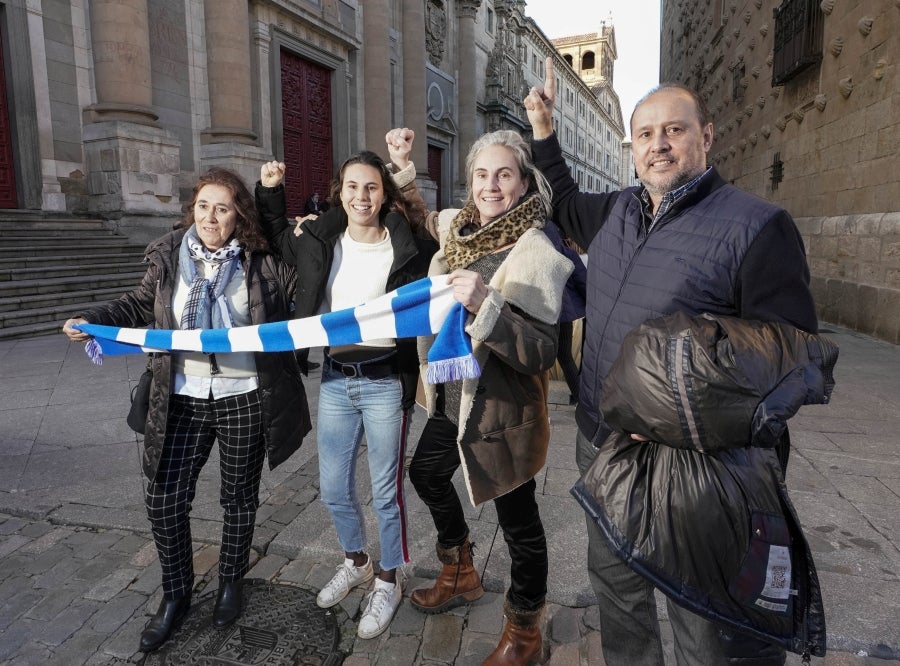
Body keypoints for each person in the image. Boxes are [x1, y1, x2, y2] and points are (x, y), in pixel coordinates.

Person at [523, 58, 818, 665]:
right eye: (646, 134)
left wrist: (678, 418)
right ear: (632, 148)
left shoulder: (757, 226)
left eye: (675, 130)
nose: (659, 144)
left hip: (695, 468)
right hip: (603, 444)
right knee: (617, 589)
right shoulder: (615, 213)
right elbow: (564, 198)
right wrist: (543, 130)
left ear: (706, 136)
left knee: (699, 613)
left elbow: (789, 360)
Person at [62, 166, 312, 653]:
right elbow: (139, 305)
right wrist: (93, 319)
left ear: (239, 214)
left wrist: (276, 197)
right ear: (191, 210)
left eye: (222, 208)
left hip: (243, 394)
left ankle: (230, 582)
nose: (211, 217)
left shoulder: (262, 260)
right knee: (163, 498)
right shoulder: (169, 256)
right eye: (203, 206)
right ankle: (175, 593)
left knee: (238, 497)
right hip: (180, 395)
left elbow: (300, 274)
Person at [385, 127, 574, 665]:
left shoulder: (538, 249)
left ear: (522, 180)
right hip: (450, 397)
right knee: (425, 473)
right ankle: (461, 568)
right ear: (470, 181)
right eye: (482, 175)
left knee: (519, 525)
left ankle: (524, 630)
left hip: (501, 412)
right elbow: (425, 215)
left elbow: (541, 352)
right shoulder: (459, 229)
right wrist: (402, 164)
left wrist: (487, 305)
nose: (492, 186)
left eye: (504, 174)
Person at [255, 151, 437, 639]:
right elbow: (275, 240)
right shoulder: (319, 238)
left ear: (384, 194)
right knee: (334, 488)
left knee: (385, 493)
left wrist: (403, 164)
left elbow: (435, 233)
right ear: (340, 191)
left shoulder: (407, 245)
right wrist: (272, 190)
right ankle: (355, 560)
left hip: (384, 382)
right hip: (335, 378)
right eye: (353, 186)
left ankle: (388, 578)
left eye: (373, 187)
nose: (362, 196)